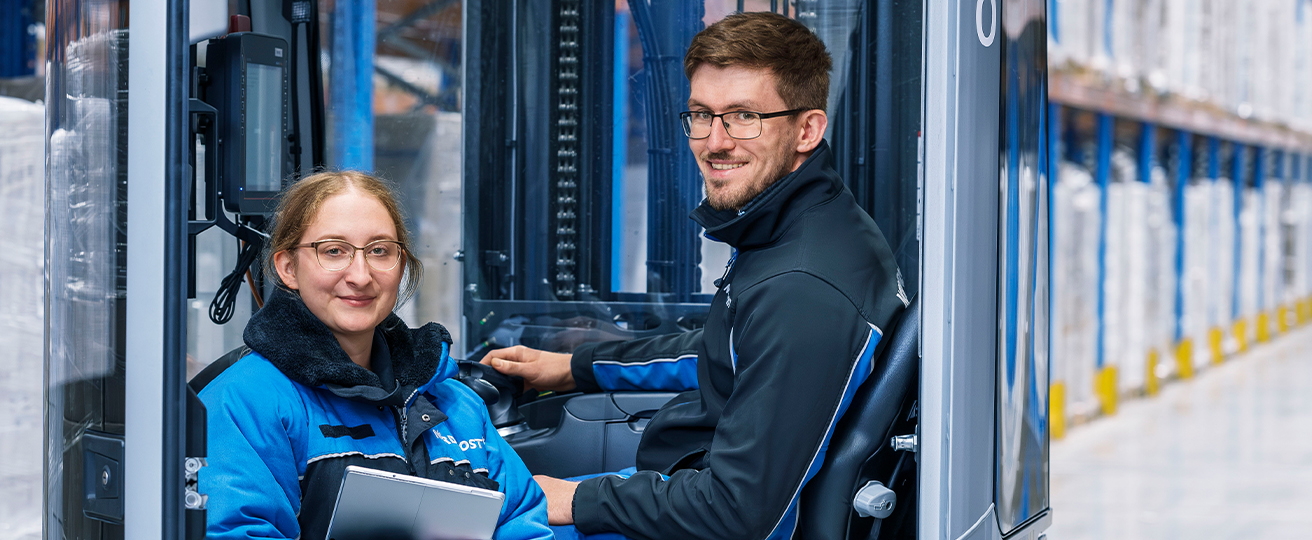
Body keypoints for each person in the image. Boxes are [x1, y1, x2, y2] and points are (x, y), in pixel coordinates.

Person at [482, 12, 908, 540]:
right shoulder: (799, 227)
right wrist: (578, 366)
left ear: (807, 129)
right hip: (687, 486)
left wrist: (577, 498)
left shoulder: (801, 288)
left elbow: (738, 512)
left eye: (744, 116)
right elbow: (728, 350)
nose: (715, 142)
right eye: (702, 115)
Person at [198, 171, 554, 540]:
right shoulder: (245, 403)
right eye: (334, 251)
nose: (361, 275)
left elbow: (522, 521)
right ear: (288, 267)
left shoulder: (454, 402)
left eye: (380, 250)